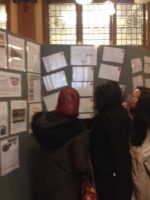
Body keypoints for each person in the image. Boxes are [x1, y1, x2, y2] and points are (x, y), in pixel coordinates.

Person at [31, 87, 89, 200]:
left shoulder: (43, 122)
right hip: (65, 189)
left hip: (42, 186)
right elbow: (80, 166)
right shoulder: (78, 131)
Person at [89, 80, 133, 200]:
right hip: (109, 175)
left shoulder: (113, 117)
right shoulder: (111, 113)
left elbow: (120, 155)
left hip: (111, 178)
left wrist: (122, 192)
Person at [127, 86, 150, 200]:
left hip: (143, 170)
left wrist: (133, 152)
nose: (130, 99)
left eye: (134, 97)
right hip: (138, 168)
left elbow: (143, 153)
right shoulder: (133, 117)